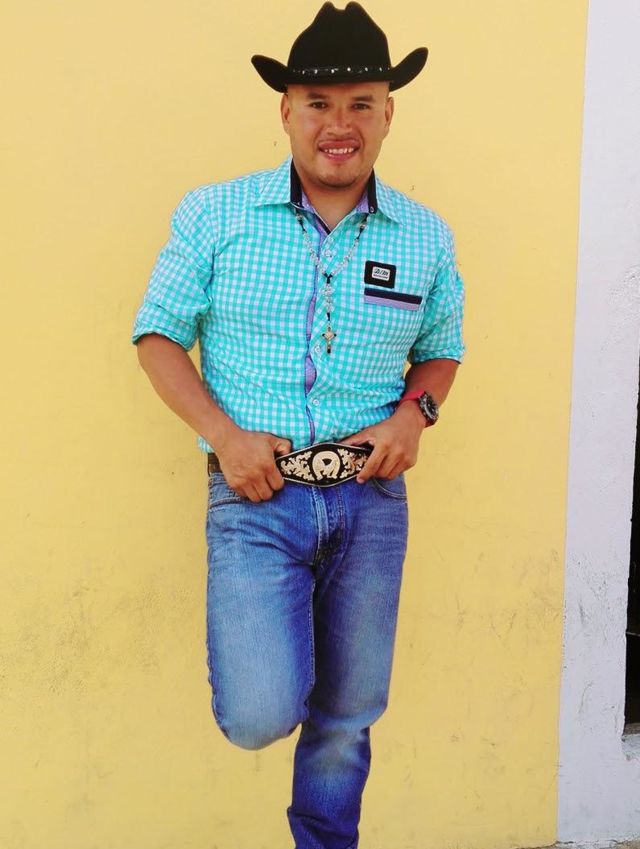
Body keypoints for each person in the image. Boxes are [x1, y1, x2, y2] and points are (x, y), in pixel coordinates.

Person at [131, 3, 465, 847]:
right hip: (256, 495)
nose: (338, 124)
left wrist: (414, 416)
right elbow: (157, 336)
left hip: (370, 498)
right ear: (286, 110)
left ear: (388, 113)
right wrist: (225, 436)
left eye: (360, 103)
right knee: (259, 711)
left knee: (348, 717)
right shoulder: (216, 215)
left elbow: (441, 352)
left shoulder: (425, 236)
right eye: (318, 102)